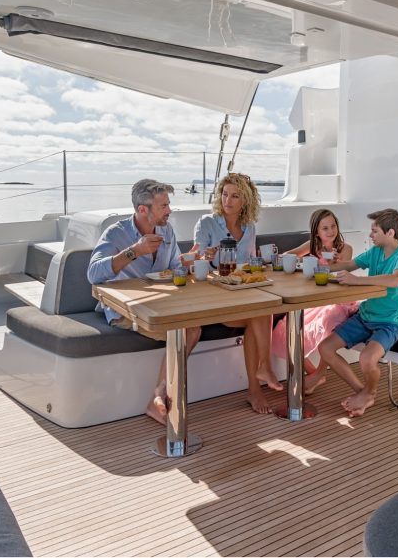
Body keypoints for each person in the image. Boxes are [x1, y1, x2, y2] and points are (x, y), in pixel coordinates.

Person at [86, 178, 192, 426]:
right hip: (125, 310)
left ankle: (159, 395)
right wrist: (134, 251)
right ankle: (162, 397)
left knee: (193, 324)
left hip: (160, 305)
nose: (169, 210)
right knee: (187, 328)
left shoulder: (167, 231)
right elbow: (93, 274)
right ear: (142, 209)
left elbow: (175, 266)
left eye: (168, 204)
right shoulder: (116, 233)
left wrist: (189, 263)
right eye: (163, 206)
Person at [190, 172, 282, 413]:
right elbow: (195, 260)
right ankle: (262, 373)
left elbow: (248, 264)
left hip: (242, 293)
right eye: (224, 194)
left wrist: (263, 262)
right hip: (214, 294)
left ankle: (257, 385)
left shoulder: (249, 227)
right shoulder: (206, 223)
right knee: (261, 312)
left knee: (262, 310)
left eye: (235, 196)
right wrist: (204, 256)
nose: (227, 200)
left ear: (245, 201)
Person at [313, 208, 398, 417]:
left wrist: (358, 280)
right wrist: (320, 267)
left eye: (374, 231)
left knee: (367, 360)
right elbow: (349, 264)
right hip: (366, 315)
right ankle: (364, 392)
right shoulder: (375, 252)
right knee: (325, 349)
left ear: (390, 233)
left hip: (390, 322)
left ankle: (369, 392)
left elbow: (395, 279)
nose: (370, 235)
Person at [271, 209, 357, 390]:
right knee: (286, 330)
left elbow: (341, 274)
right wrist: (279, 257)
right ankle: (313, 374)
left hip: (338, 300)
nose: (330, 231)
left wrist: (335, 262)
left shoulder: (345, 249)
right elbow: (290, 254)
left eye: (333, 226)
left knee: (328, 319)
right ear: (316, 231)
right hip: (315, 301)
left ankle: (319, 374)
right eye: (325, 228)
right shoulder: (313, 246)